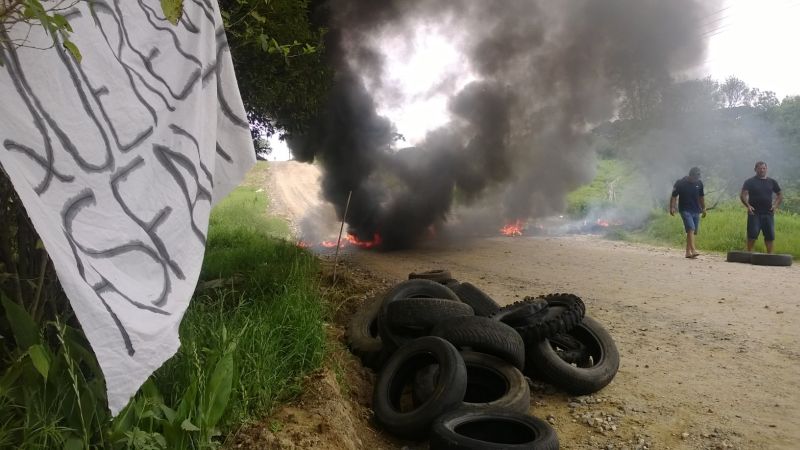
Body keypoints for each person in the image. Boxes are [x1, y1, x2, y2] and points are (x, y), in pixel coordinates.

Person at [740, 161, 782, 253]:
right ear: (755, 169)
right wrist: (748, 206)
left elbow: (780, 195)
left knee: (769, 235)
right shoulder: (750, 181)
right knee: (752, 234)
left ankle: (769, 255)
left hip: (768, 212)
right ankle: (749, 253)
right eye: (760, 168)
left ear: (766, 169)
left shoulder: (772, 182)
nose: (762, 170)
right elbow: (743, 194)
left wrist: (775, 206)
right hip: (754, 212)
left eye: (764, 168)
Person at [670, 167, 706, 259]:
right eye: (695, 177)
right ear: (691, 175)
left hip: (696, 210)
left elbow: (701, 197)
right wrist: (672, 207)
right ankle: (693, 250)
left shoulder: (699, 183)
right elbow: (674, 196)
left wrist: (704, 208)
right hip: (685, 209)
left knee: (692, 232)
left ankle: (687, 252)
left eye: (698, 177)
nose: (696, 179)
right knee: (691, 228)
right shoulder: (680, 183)